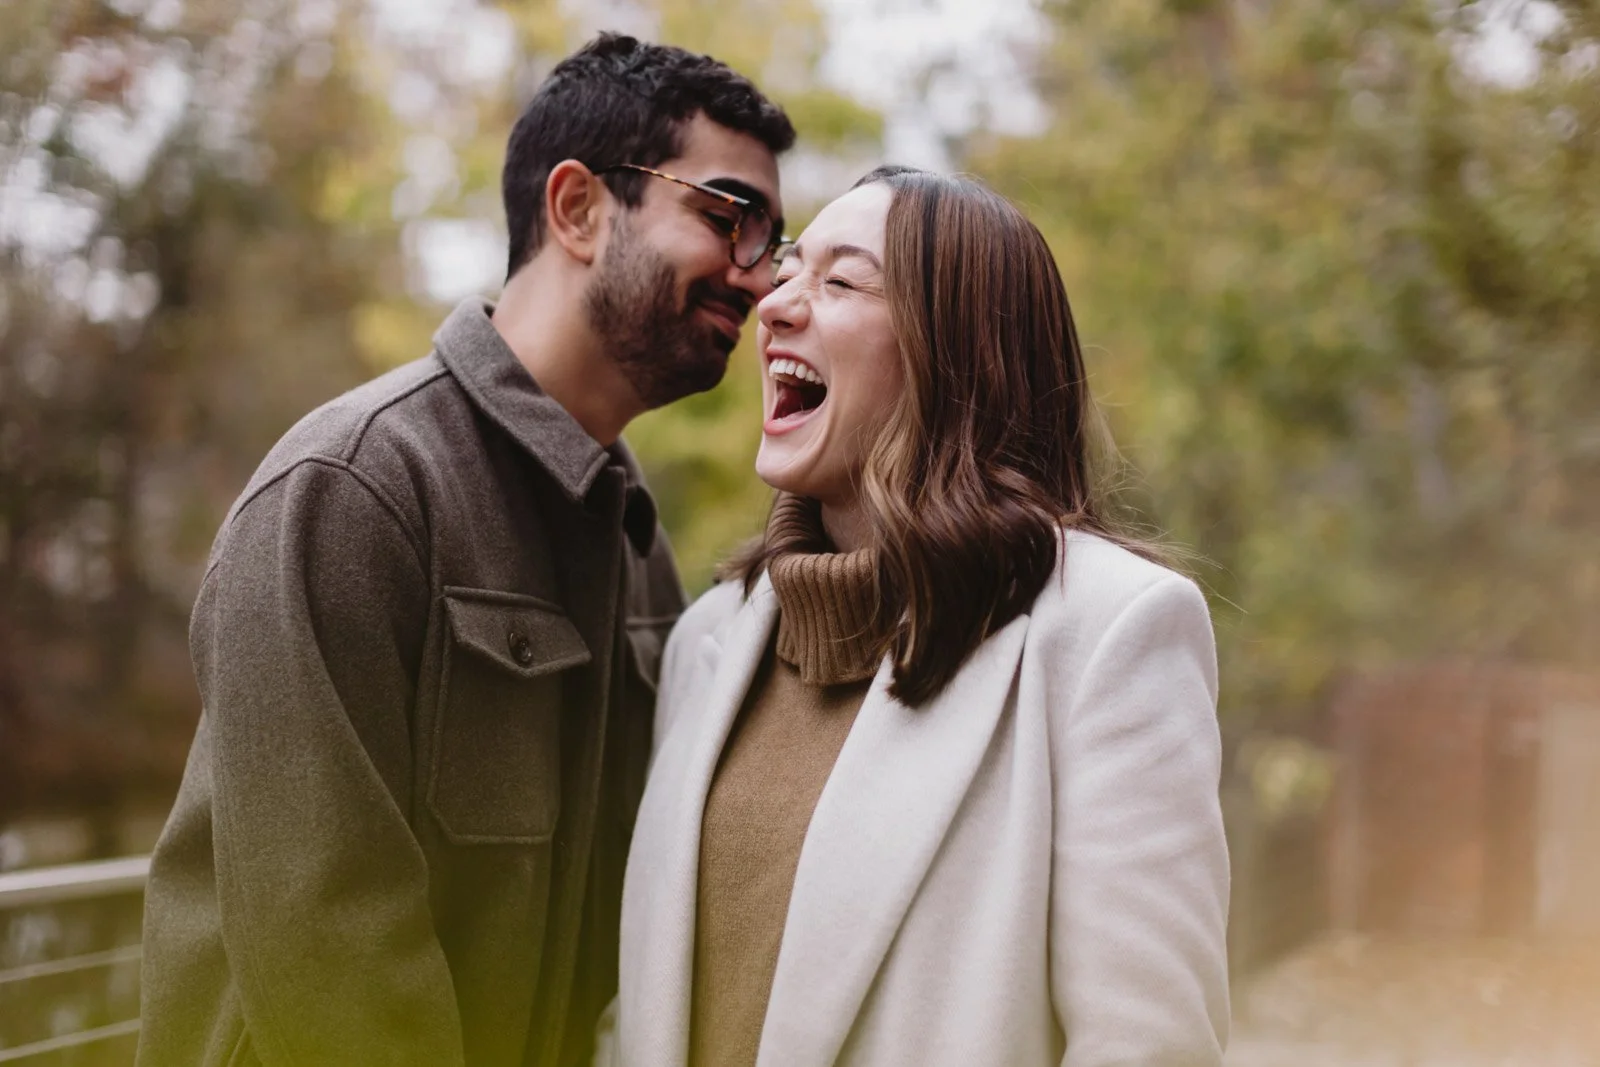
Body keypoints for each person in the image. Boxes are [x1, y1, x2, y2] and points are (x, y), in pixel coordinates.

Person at [137, 33, 792, 1067]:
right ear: (576, 208)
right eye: (724, 217)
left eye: (770, 240)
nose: (756, 279)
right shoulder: (351, 486)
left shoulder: (635, 541)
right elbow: (328, 947)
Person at [610, 167, 1231, 1067]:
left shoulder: (1113, 631)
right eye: (790, 270)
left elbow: (1149, 1044)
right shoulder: (707, 637)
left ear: (956, 353)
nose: (776, 304)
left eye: (841, 281)